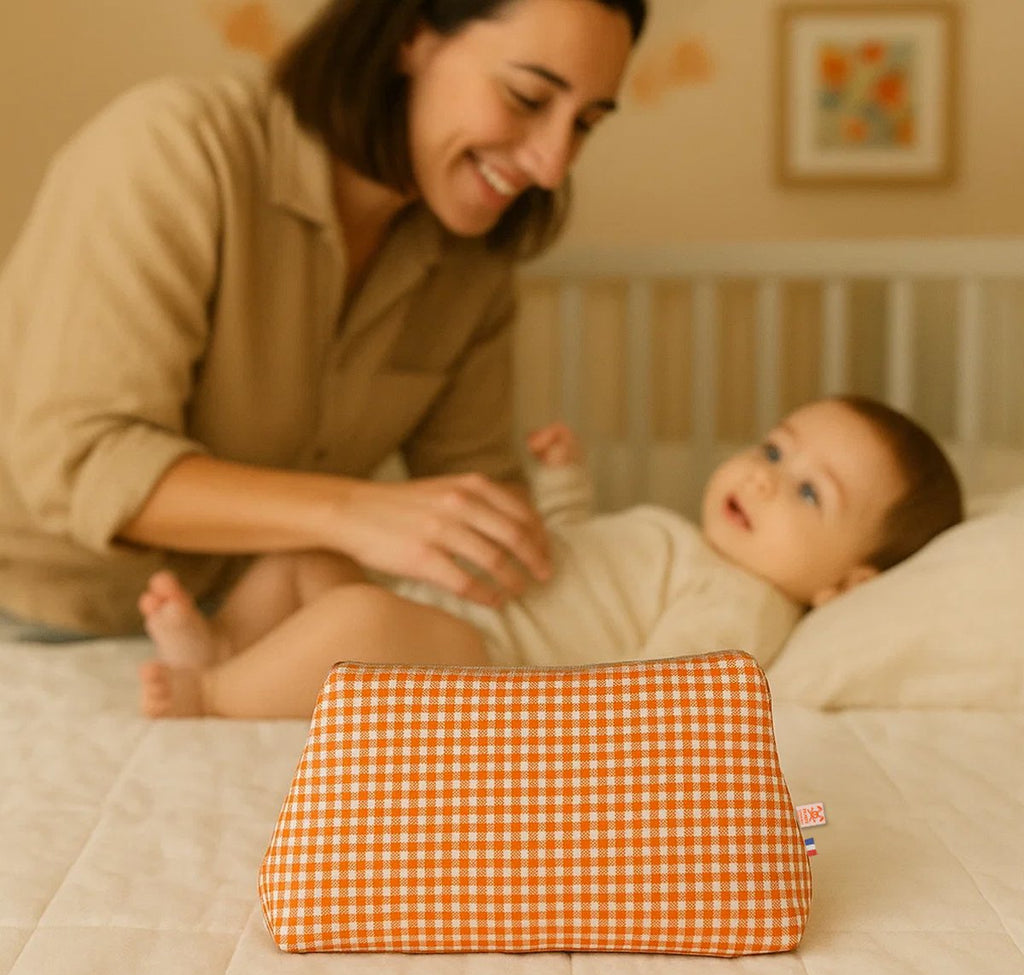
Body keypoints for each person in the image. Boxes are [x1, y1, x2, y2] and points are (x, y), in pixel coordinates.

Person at [0, 0, 647, 641]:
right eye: (527, 99)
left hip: (238, 619)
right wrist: (352, 513)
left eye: (586, 123)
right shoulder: (178, 150)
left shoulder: (471, 264)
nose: (552, 165)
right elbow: (86, 460)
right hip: (37, 607)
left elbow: (472, 491)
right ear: (413, 35)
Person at [138, 394, 964, 718]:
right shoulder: (689, 543)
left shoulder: (746, 606)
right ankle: (228, 641)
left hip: (492, 662)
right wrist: (564, 485)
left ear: (844, 585)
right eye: (775, 451)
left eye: (810, 494)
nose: (764, 478)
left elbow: (663, 690)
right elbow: (580, 558)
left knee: (356, 617)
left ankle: (212, 695)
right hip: (469, 607)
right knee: (307, 559)